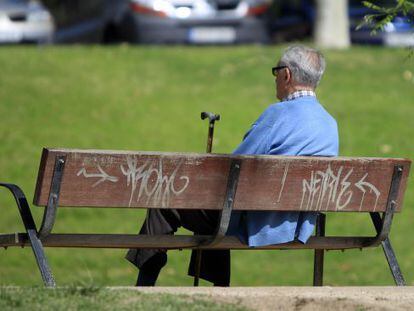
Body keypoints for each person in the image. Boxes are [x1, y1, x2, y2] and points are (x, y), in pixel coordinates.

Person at [125, 44, 338, 286]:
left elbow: (232, 168)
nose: (275, 78)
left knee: (165, 201)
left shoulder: (277, 116)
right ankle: (218, 289)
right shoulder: (330, 123)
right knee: (220, 206)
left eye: (276, 71)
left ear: (286, 74)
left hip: (258, 221)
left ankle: (144, 288)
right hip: (298, 225)